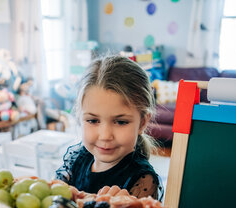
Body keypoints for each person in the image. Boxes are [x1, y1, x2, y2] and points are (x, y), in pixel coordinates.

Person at [55, 55, 163, 200]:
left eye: (120, 122)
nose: (105, 135)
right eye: (93, 120)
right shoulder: (79, 158)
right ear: (80, 117)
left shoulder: (143, 181)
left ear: (142, 123)